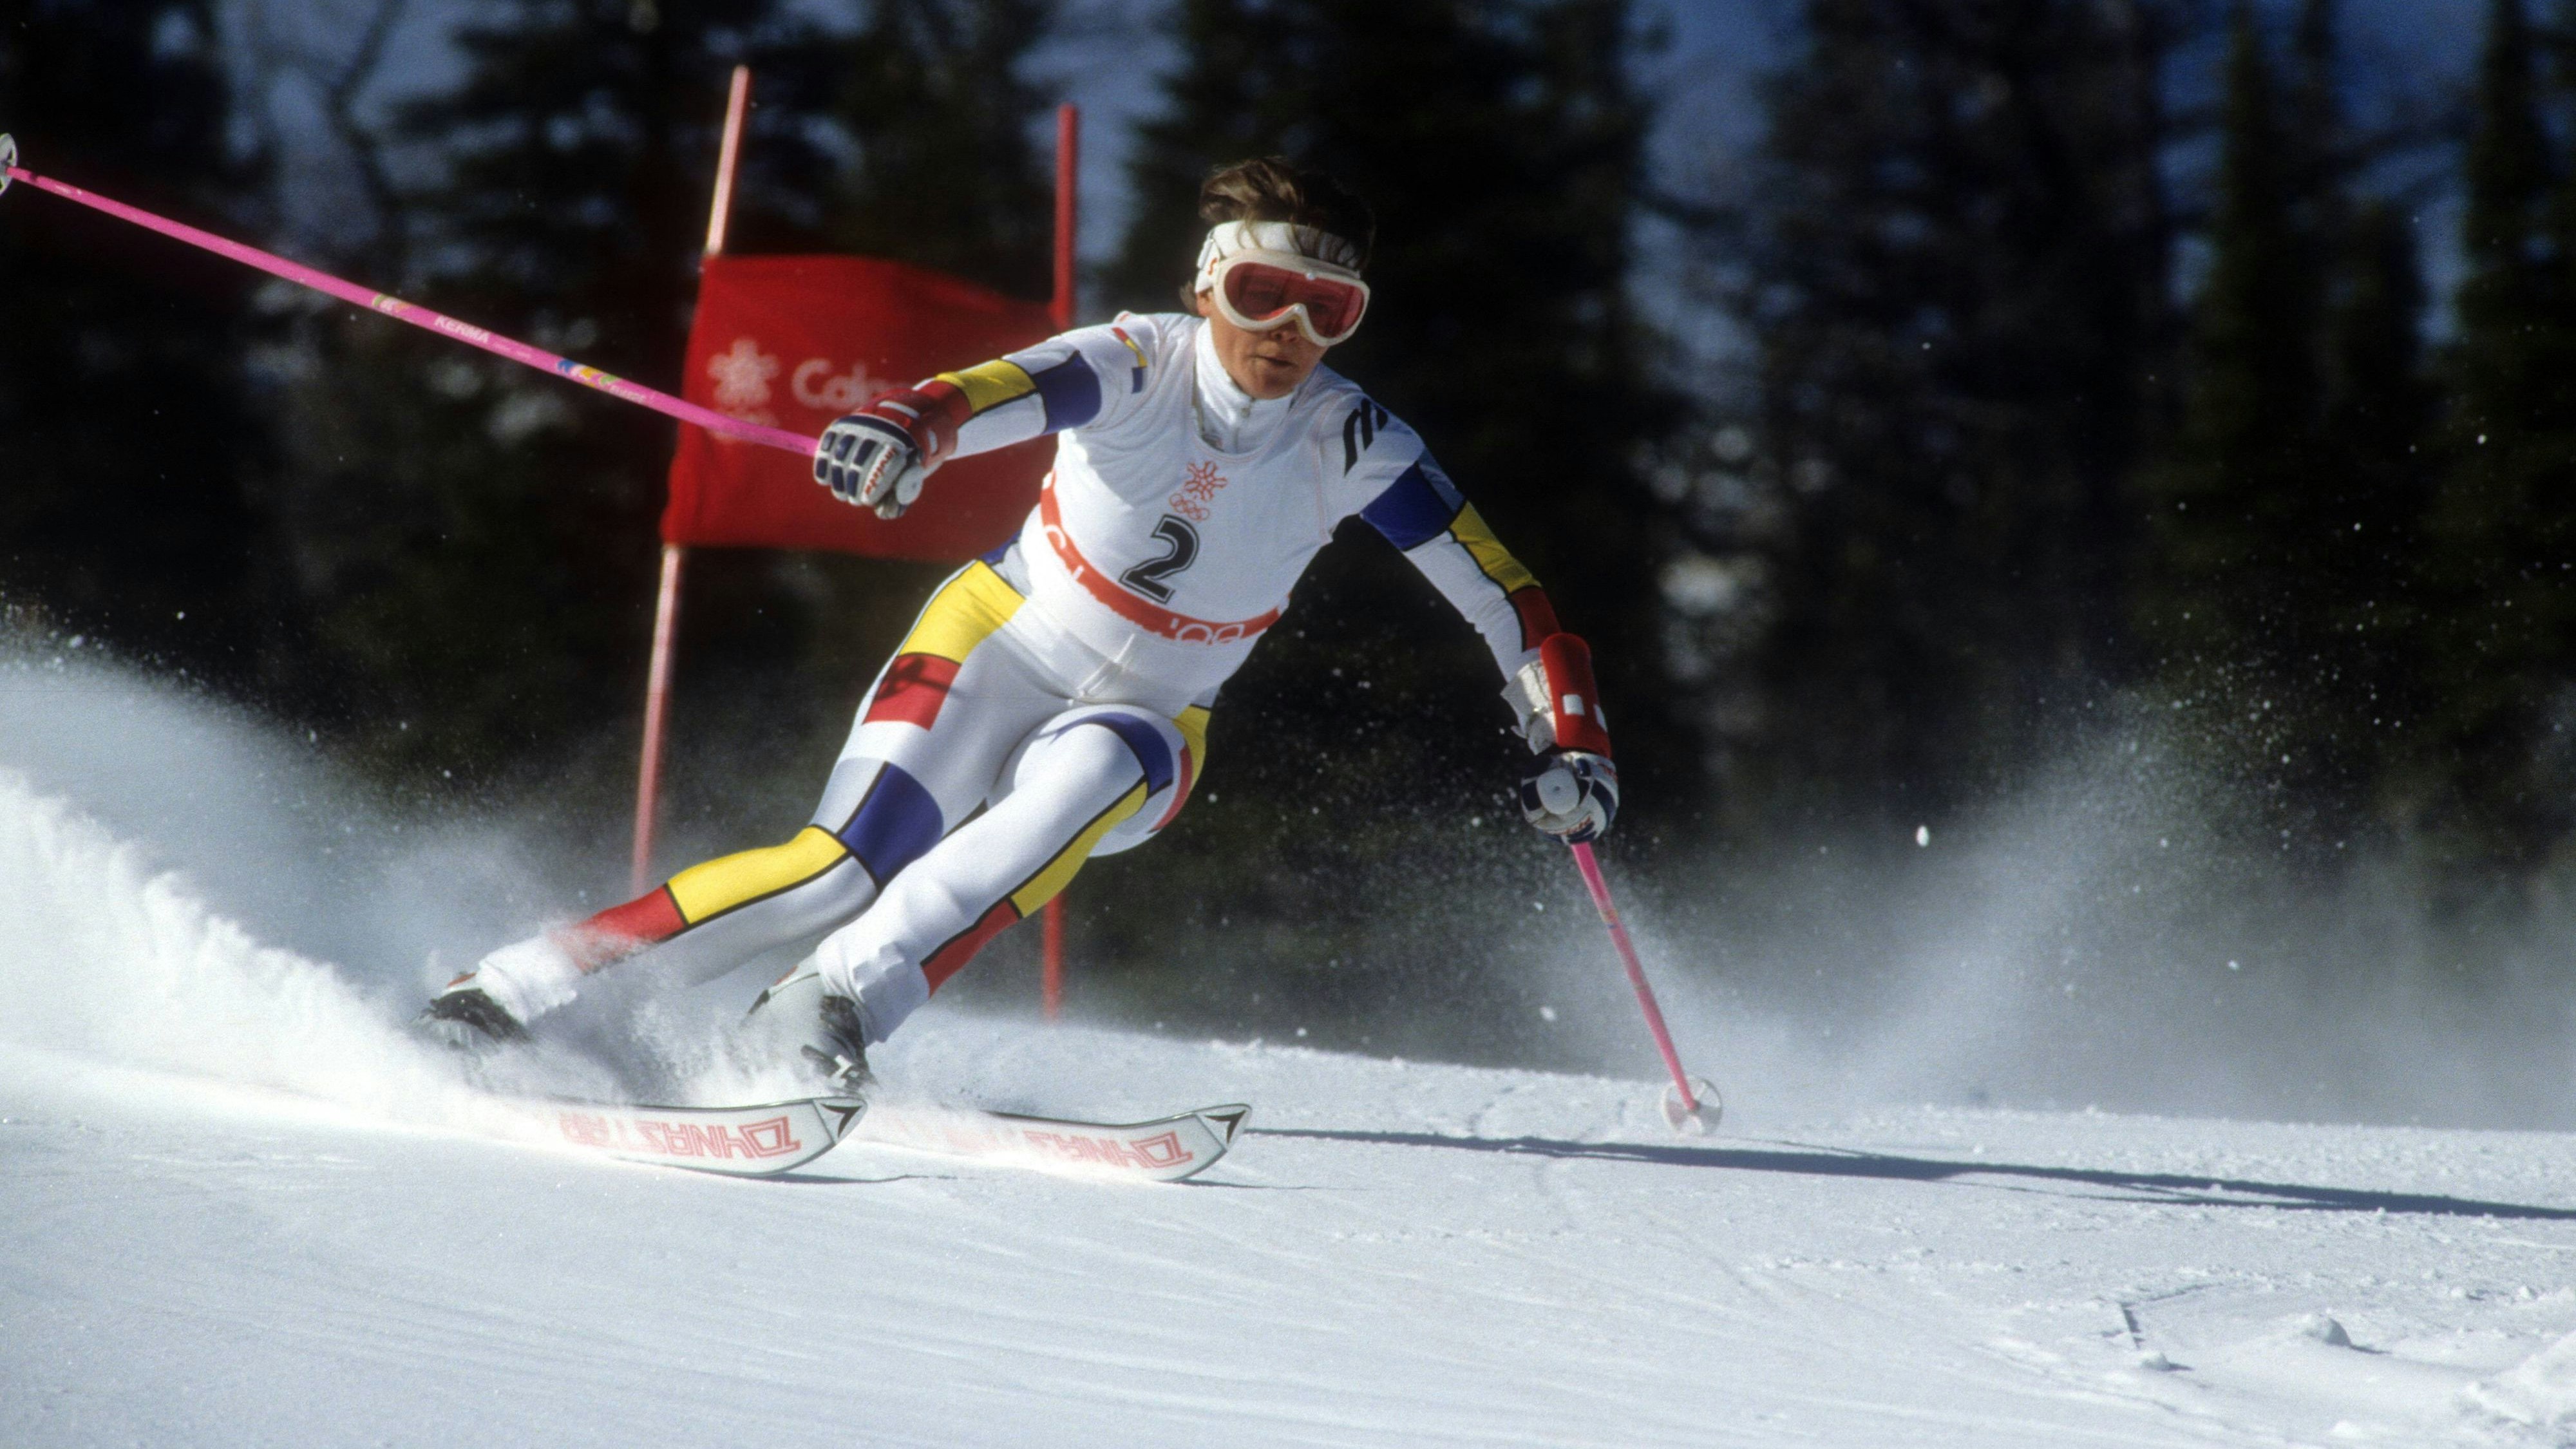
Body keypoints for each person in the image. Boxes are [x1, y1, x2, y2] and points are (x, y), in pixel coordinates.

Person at [420, 157, 1620, 1088]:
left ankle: (822, 1015)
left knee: (1091, 771)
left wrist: (1574, 740)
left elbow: (1505, 590)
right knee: (838, 866)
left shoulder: (1354, 440)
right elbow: (990, 392)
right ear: (1208, 284)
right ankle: (509, 998)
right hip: (1000, 633)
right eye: (1264, 294)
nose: (1288, 335)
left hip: (1154, 714)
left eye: (1329, 310)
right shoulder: (1137, 363)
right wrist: (904, 430)